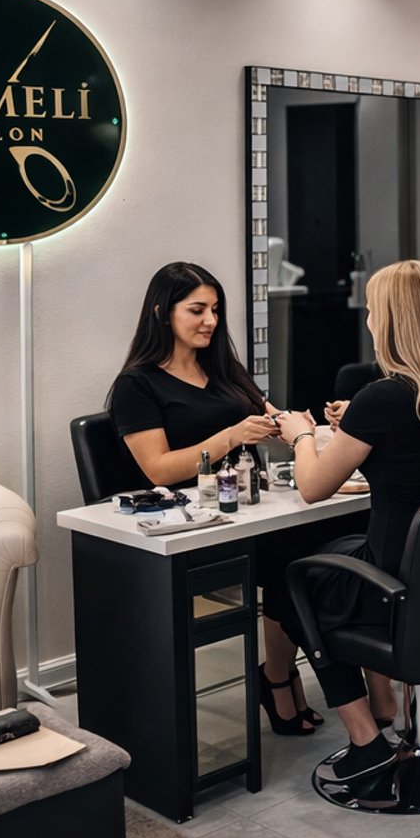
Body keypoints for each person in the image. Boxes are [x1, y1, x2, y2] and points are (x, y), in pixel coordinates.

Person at [272, 259, 420, 782]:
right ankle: (385, 704)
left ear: (391, 321)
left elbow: (313, 486)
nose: (367, 319)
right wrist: (357, 423)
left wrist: (301, 434)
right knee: (325, 557)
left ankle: (366, 738)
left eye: (371, 311)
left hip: (393, 577)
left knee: (289, 585)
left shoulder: (383, 398)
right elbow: (414, 446)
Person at [107, 261, 326, 736]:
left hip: (248, 511)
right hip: (190, 528)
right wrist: (229, 436)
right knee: (294, 564)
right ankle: (280, 679)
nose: (210, 320)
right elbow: (158, 468)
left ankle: (280, 675)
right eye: (197, 310)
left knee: (312, 549)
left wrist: (298, 429)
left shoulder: (223, 368)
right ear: (162, 312)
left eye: (215, 310)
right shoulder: (137, 386)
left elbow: (271, 418)